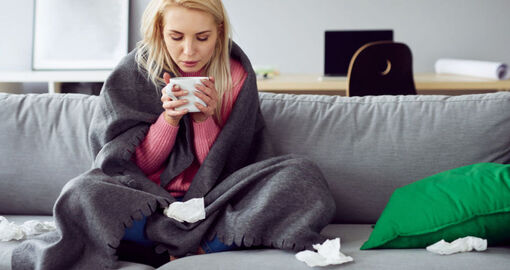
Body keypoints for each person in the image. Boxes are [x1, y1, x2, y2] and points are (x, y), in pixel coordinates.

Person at [12, 1, 335, 269]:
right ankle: (203, 243)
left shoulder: (235, 74)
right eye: (176, 37)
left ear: (219, 33)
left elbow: (231, 166)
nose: (189, 51)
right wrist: (168, 119)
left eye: (202, 37)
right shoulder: (134, 72)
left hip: (215, 199)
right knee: (82, 191)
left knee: (301, 175)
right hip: (146, 197)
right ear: (159, 32)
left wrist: (202, 120)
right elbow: (126, 164)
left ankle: (163, 246)